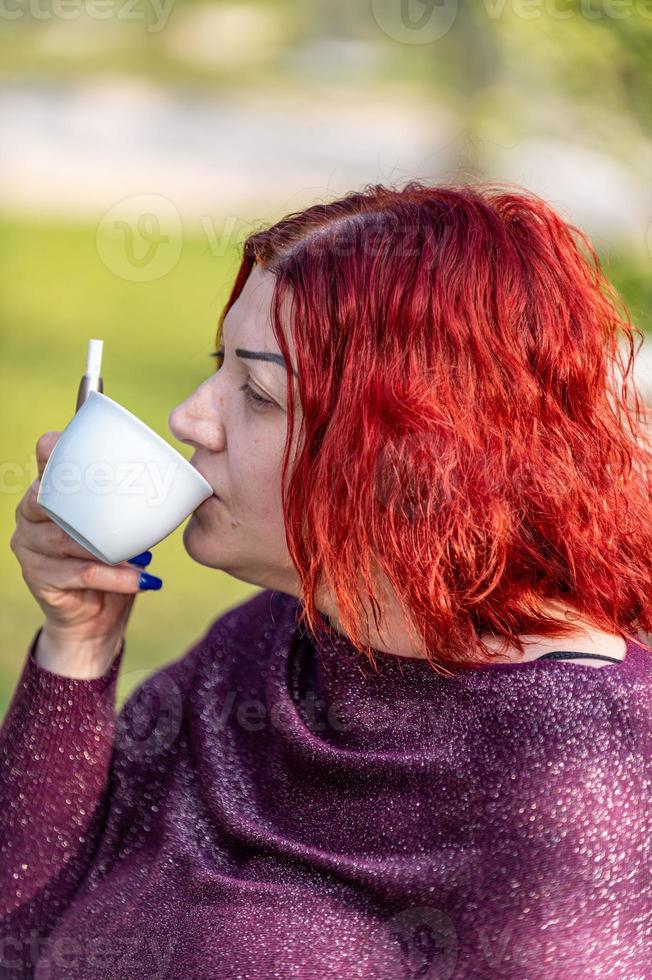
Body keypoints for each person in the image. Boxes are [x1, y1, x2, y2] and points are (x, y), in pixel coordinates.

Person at [2, 180, 651, 978]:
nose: (189, 418)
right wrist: (79, 641)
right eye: (220, 366)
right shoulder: (271, 646)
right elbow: (22, 930)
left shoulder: (575, 777)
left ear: (415, 455)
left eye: (258, 392)